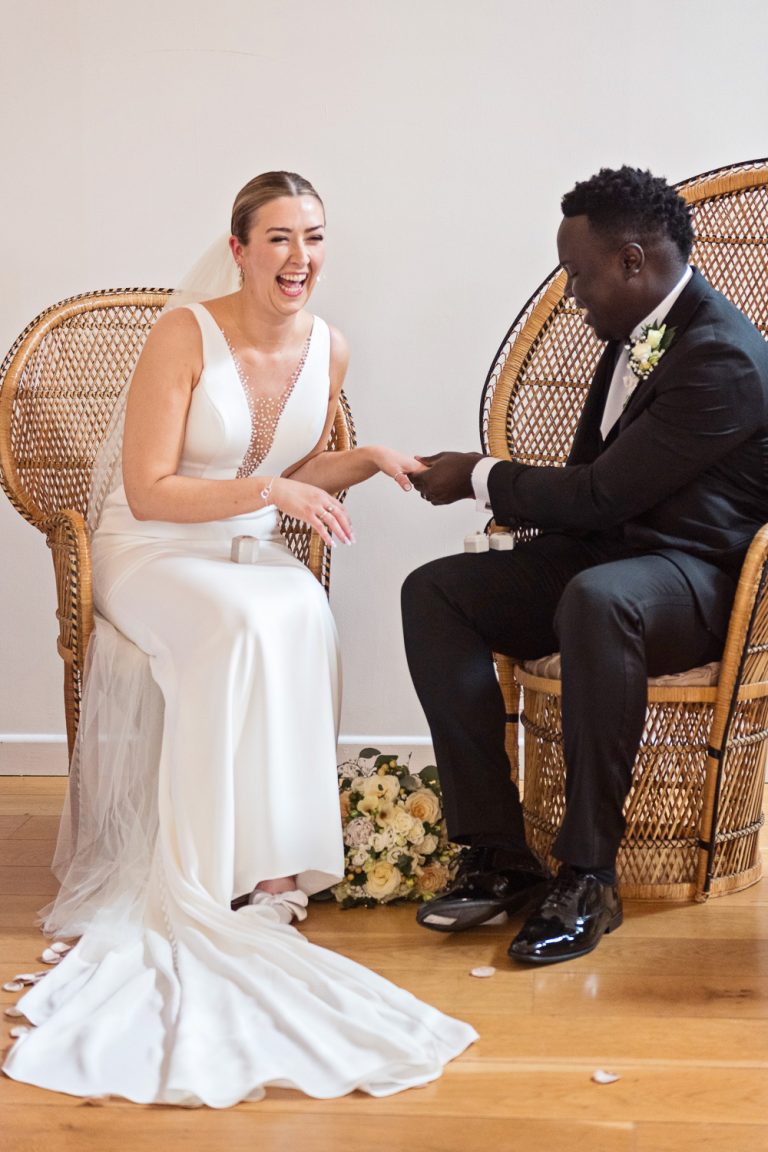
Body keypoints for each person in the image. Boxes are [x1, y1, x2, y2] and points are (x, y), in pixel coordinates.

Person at [3, 171, 476, 1105]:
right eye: (279, 239)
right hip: (153, 552)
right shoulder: (185, 333)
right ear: (238, 248)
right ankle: (199, 870)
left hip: (246, 548)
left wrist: (365, 459)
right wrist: (276, 495)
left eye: (314, 237)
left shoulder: (331, 347)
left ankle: (270, 872)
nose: (301, 259)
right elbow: (148, 490)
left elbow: (296, 469)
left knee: (298, 604)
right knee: (243, 615)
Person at [401, 166, 768, 966]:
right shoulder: (633, 331)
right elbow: (588, 493)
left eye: (579, 276)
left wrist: (477, 475)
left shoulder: (724, 357)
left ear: (633, 261)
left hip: (695, 583)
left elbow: (601, 493)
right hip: (605, 562)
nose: (574, 295)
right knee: (436, 594)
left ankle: (589, 875)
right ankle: (499, 854)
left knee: (600, 600)